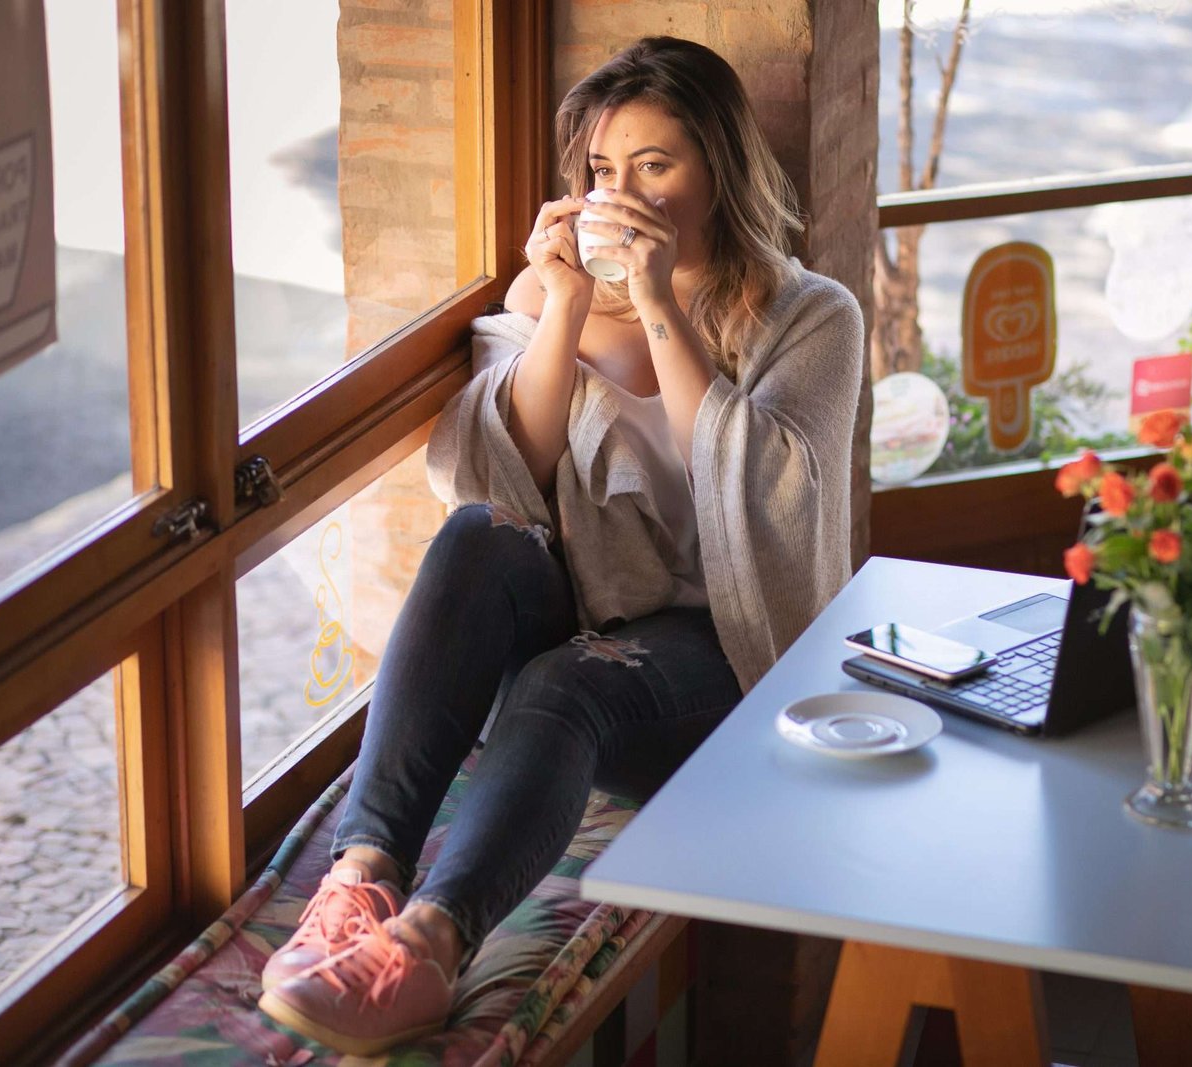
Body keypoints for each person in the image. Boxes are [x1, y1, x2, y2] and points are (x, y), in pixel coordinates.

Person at [256, 36, 863, 1055]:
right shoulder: (554, 295)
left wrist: (662, 302)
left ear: (718, 167)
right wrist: (567, 304)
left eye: (655, 165)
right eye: (599, 170)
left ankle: (429, 943)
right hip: (579, 604)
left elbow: (771, 500)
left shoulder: (807, 316)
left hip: (721, 645)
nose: (620, 193)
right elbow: (504, 472)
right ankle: (358, 880)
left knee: (563, 680)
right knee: (475, 535)